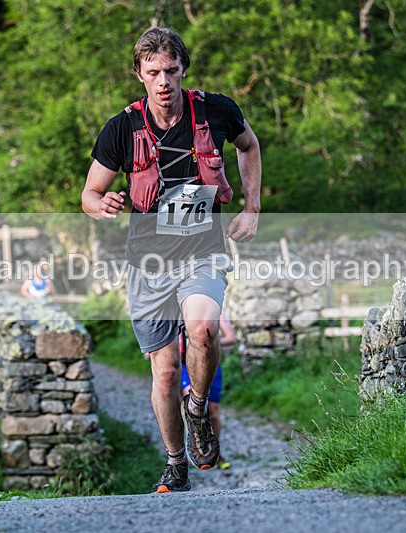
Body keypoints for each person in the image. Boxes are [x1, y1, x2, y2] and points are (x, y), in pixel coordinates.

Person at [82, 26, 261, 493]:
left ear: (184, 70)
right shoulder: (121, 128)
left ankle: (198, 408)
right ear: (139, 74)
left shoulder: (216, 110)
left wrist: (252, 206)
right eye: (154, 72)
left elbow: (250, 146)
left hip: (203, 253)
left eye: (171, 71)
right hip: (149, 264)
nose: (164, 81)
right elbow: (89, 192)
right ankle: (175, 462)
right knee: (163, 371)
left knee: (203, 329)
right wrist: (100, 205)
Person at [179, 310, 236, 470]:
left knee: (213, 411)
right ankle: (193, 449)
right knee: (191, 401)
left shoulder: (213, 308)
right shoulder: (171, 310)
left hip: (210, 363)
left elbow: (231, 337)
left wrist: (205, 340)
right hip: (184, 365)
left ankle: (215, 451)